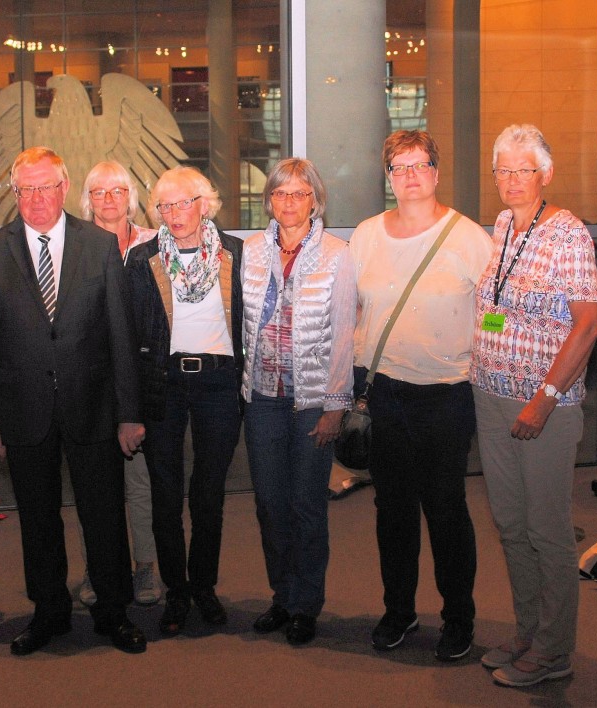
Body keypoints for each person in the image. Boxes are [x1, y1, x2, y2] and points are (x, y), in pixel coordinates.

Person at [0, 146, 147, 656]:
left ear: (64, 188)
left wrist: (129, 412)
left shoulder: (98, 244)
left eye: (47, 187)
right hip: (23, 412)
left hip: (93, 408)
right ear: (15, 192)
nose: (37, 199)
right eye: (27, 189)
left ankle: (115, 613)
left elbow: (120, 333)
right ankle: (49, 612)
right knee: (38, 521)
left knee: (105, 516)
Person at [349, 130, 492, 661]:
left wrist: (484, 348)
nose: (410, 175)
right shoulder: (366, 235)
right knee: (393, 512)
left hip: (445, 397)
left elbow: (493, 309)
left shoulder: (468, 237)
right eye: (399, 166)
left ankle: (459, 618)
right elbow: (357, 312)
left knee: (447, 509)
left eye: (420, 164)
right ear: (388, 177)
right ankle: (399, 611)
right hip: (384, 393)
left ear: (436, 172)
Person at [471, 124, 597, 687]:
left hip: (542, 405)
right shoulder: (502, 225)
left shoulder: (568, 234)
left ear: (545, 174)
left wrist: (543, 401)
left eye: (524, 169)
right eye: (503, 169)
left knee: (547, 529)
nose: (511, 180)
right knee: (511, 523)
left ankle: (554, 650)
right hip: (491, 396)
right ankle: (529, 631)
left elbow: (589, 324)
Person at [241, 158, 356, 645]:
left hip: (313, 399)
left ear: (315, 200)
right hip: (262, 396)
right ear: (268, 200)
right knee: (269, 504)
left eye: (300, 193)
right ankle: (282, 596)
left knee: (307, 505)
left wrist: (336, 404)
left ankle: (306, 604)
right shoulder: (249, 251)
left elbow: (346, 333)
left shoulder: (337, 254)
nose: (289, 202)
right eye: (281, 193)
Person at [125, 166, 243, 637]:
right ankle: (177, 589)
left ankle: (205, 587)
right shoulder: (143, 257)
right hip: (164, 384)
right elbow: (131, 334)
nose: (173, 214)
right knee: (166, 494)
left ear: (204, 204)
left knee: (210, 494)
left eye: (182, 202)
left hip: (219, 384)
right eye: (164, 206)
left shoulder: (235, 253)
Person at [73, 160, 160, 608]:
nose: (109, 200)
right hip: (88, 383)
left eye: (118, 191)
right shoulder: (74, 245)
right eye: (100, 192)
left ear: (131, 196)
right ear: (87, 199)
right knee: (93, 486)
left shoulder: (153, 243)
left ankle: (145, 567)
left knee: (140, 483)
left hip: (141, 382)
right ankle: (97, 569)